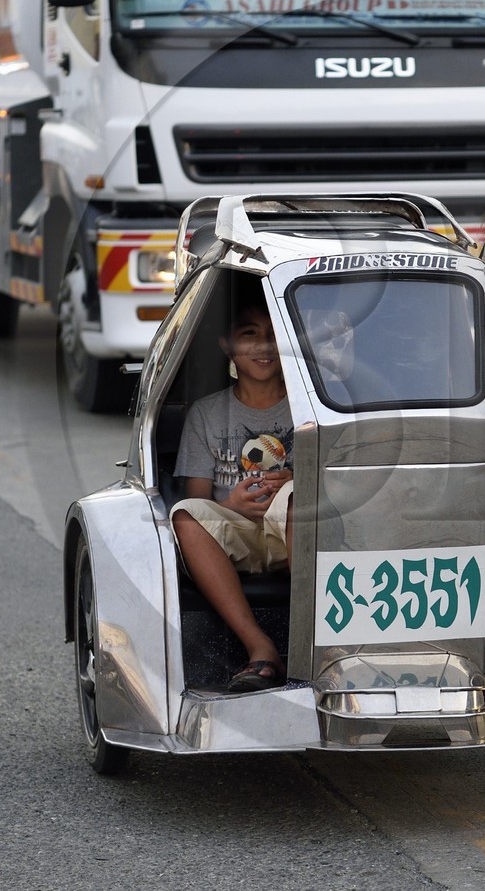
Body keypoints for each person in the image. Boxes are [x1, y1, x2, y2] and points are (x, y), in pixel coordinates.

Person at [170, 294, 296, 692]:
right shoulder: (207, 414)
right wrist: (232, 506)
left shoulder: (310, 408)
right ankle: (260, 647)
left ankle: (312, 641)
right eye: (249, 334)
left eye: (275, 334)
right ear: (228, 346)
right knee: (186, 515)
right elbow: (196, 498)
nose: (263, 345)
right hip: (235, 533)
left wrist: (294, 477)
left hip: (297, 528)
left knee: (299, 496)